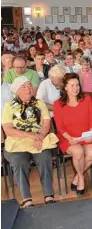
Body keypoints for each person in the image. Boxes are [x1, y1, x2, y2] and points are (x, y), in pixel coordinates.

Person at [2, 76, 59, 208]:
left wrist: (39, 136)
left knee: (45, 157)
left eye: (29, 85)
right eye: (24, 86)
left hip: (38, 140)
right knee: (19, 162)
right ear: (17, 90)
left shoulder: (39, 103)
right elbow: (8, 130)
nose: (28, 88)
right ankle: (27, 199)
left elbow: (46, 122)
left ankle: (49, 195)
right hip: (17, 143)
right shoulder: (9, 106)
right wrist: (31, 135)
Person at [53, 73, 92, 196]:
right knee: (78, 152)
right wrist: (69, 138)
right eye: (72, 85)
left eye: (77, 85)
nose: (76, 88)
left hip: (86, 135)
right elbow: (60, 127)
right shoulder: (58, 104)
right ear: (65, 87)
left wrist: (91, 133)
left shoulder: (86, 99)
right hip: (68, 137)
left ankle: (77, 177)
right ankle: (81, 179)